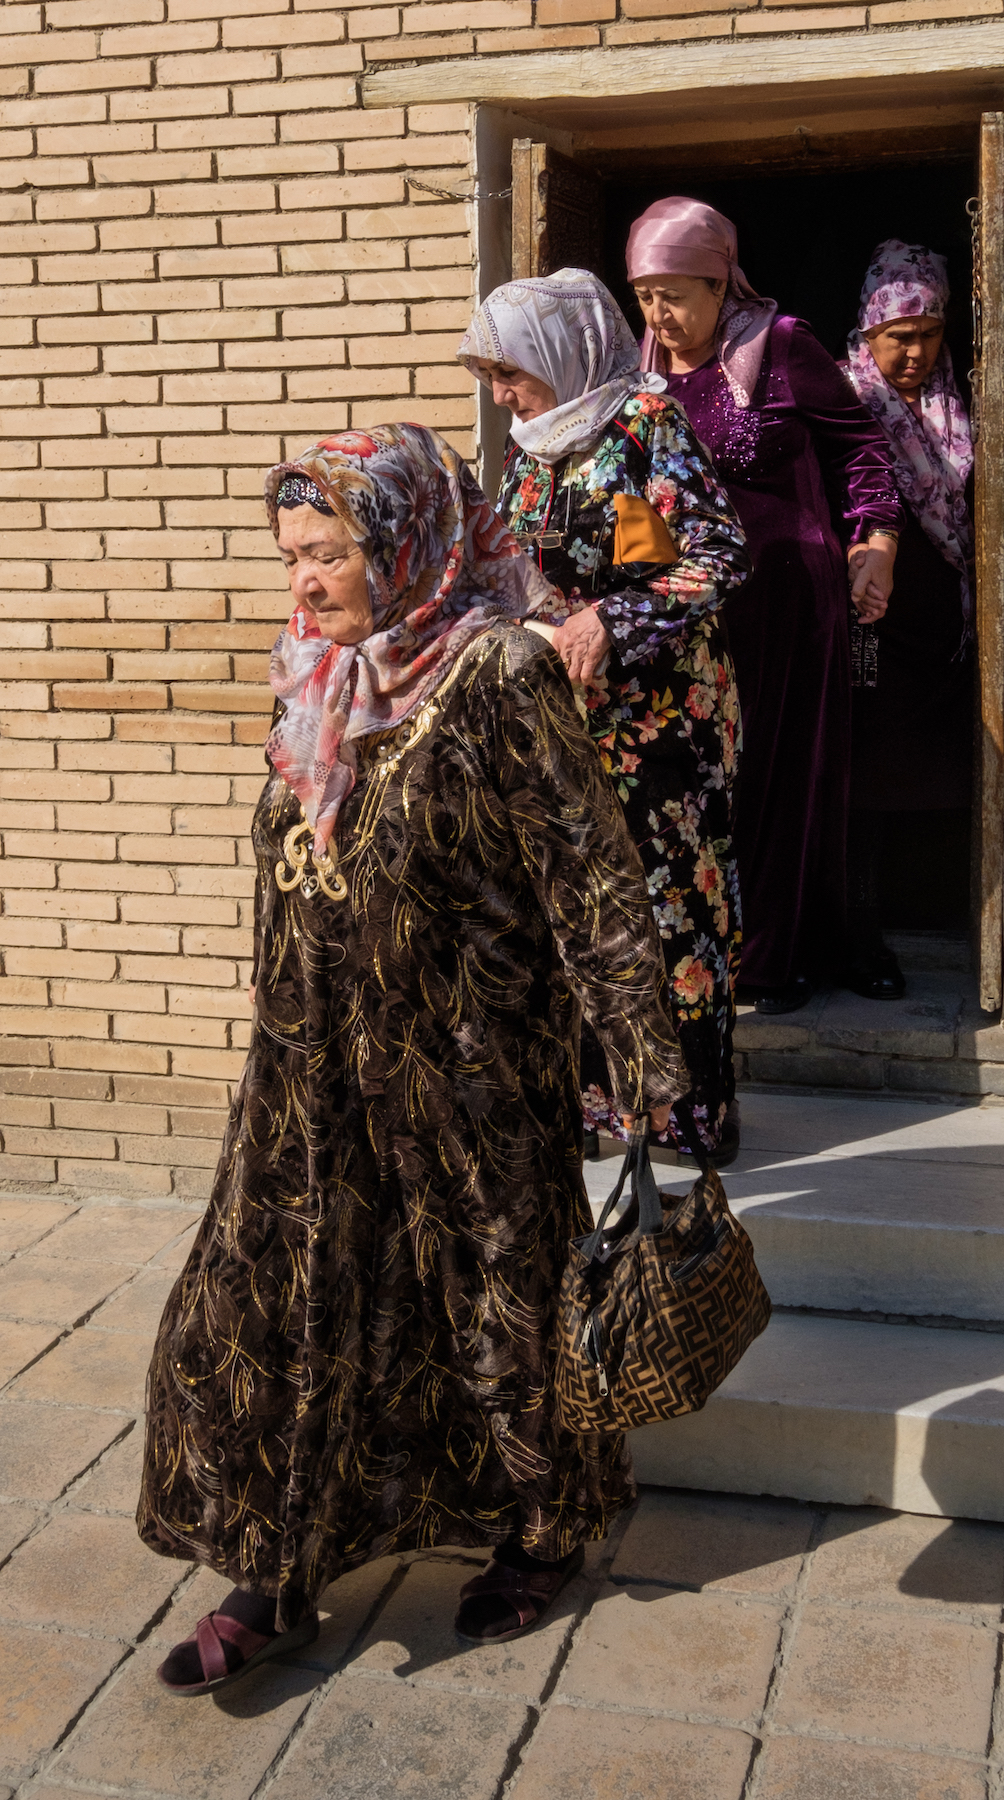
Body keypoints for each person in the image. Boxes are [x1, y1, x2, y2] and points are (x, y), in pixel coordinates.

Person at [138, 423, 688, 1693]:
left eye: (328, 554)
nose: (305, 585)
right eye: (292, 558)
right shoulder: (321, 673)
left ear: (405, 544)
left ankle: (538, 1531)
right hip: (311, 1074)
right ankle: (271, 1566)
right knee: (281, 1310)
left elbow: (591, 869)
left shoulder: (497, 671)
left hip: (469, 1063)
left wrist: (642, 1060)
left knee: (492, 1298)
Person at [458, 267, 752, 1163]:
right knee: (578, 914)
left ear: (565, 353)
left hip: (658, 729)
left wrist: (609, 619)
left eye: (512, 373)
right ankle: (601, 1108)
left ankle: (688, 1116)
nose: (503, 395)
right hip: (564, 729)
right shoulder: (532, 449)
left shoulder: (639, 430)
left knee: (668, 911)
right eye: (493, 379)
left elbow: (713, 557)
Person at [626, 198, 904, 1014]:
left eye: (675, 294)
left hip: (788, 599)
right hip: (691, 611)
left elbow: (859, 446)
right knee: (706, 780)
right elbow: (639, 493)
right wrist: (645, 593)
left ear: (721, 282)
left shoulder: (780, 346)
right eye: (645, 296)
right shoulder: (643, 372)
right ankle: (709, 948)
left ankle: (773, 960)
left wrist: (875, 545)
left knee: (781, 774)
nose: (660, 315)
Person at [839, 240, 976, 1000]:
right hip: (867, 623)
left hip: (938, 629)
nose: (917, 352)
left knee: (931, 776)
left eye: (929, 334)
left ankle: (931, 924)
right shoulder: (840, 399)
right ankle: (860, 939)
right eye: (900, 337)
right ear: (868, 336)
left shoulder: (958, 403)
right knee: (864, 779)